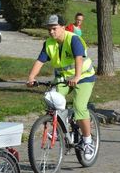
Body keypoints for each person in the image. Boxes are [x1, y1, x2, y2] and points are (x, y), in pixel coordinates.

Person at [26, 14, 96, 160]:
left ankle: (88, 141)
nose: (51, 32)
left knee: (79, 106)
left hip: (83, 77)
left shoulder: (73, 39)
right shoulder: (49, 43)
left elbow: (78, 59)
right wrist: (31, 77)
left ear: (63, 27)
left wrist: (76, 77)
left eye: (54, 28)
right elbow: (40, 61)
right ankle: (59, 127)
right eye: (49, 29)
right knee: (51, 98)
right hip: (63, 79)